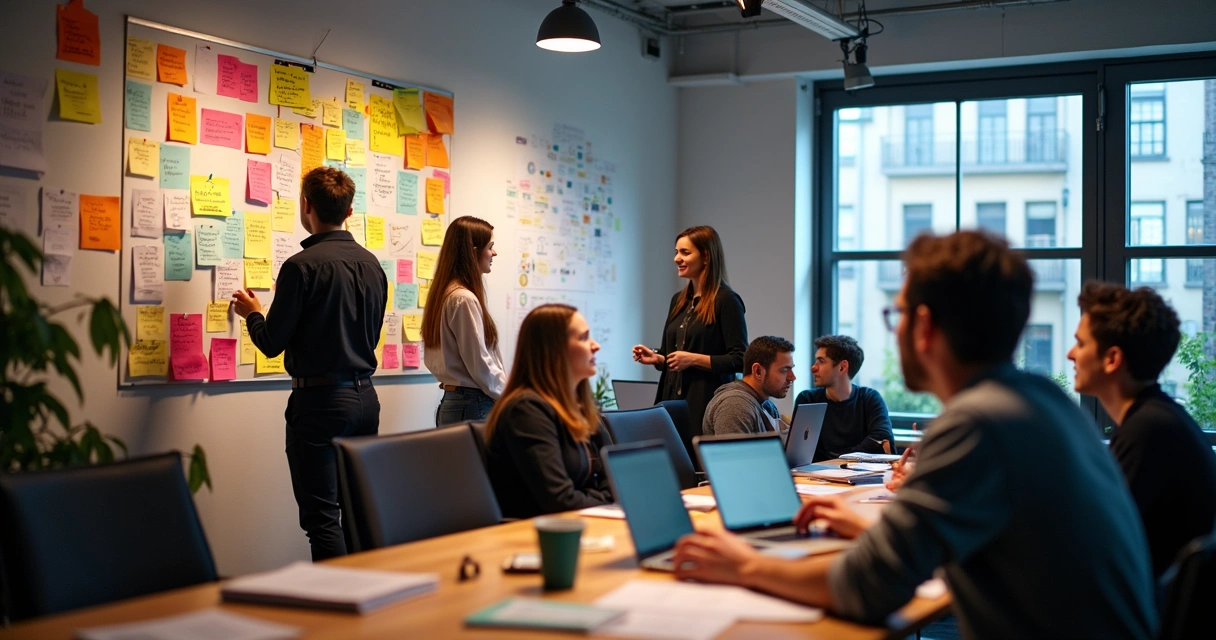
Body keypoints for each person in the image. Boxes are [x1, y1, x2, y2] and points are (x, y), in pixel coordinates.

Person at [672, 231, 1157, 640]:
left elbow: (867, 587)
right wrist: (870, 527)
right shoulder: (1042, 403)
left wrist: (743, 565)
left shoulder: (978, 423)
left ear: (923, 327)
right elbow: (968, 543)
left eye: (898, 315)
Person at [232, 167, 387, 561]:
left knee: (322, 518)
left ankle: (337, 610)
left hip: (320, 404)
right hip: (366, 399)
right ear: (350, 210)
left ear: (306, 206)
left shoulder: (301, 266)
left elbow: (270, 343)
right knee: (357, 510)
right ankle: (369, 593)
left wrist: (252, 312)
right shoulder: (373, 266)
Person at [1068, 280, 1216, 578]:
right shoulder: (1161, 419)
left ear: (1112, 359)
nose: (1071, 354)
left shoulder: (1148, 432)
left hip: (1140, 618)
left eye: (1081, 343)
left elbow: (1096, 545)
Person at [484, 304, 612, 519]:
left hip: (583, 524)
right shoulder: (526, 411)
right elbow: (560, 500)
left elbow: (615, 479)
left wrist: (600, 498)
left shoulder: (580, 406)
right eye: (584, 338)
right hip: (535, 536)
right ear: (554, 350)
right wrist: (605, 501)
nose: (595, 345)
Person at [632, 226, 747, 439]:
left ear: (705, 257)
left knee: (696, 466)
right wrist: (657, 357)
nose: (677, 258)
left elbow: (740, 359)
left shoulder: (727, 300)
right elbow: (671, 354)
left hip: (704, 403)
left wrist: (693, 359)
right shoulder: (678, 300)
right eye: (676, 252)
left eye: (685, 252)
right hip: (670, 401)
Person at [422, 216, 506, 425]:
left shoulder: (445, 293)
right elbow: (480, 363)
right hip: (473, 404)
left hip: (455, 402)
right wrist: (509, 394)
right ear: (473, 251)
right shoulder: (463, 298)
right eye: (490, 246)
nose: (494, 253)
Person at [793, 335, 894, 460]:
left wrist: (840, 460)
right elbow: (798, 450)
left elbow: (881, 439)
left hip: (859, 475)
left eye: (821, 361)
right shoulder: (807, 400)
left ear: (842, 367)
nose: (813, 367)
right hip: (817, 476)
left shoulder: (869, 398)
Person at [702, 336, 795, 437]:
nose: (792, 377)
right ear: (758, 371)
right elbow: (735, 453)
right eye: (784, 370)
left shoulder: (767, 405)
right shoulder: (735, 405)